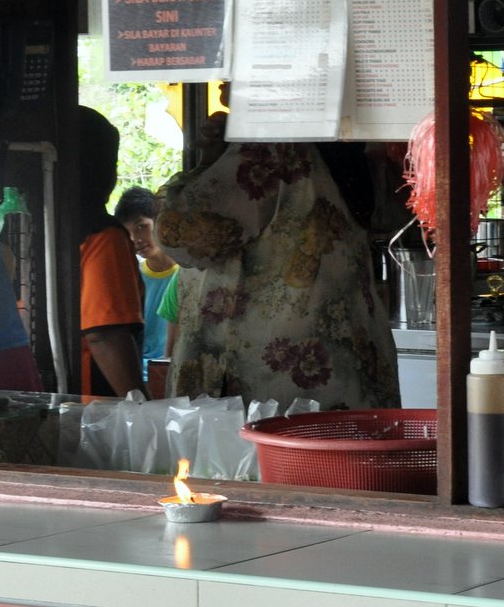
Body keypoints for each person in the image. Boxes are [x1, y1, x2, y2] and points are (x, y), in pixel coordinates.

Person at [156, 85, 399, 409]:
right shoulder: (343, 142)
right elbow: (394, 210)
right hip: (344, 374)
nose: (226, 87)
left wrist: (207, 163)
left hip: (273, 389)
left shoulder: (266, 147)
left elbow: (182, 238)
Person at [76, 107, 147, 399]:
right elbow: (105, 335)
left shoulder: (29, 226)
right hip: (94, 409)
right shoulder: (103, 236)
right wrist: (143, 410)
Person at [113, 186, 178, 379]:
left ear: (160, 223)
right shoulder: (131, 275)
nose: (135, 239)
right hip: (136, 375)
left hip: (168, 370)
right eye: (128, 233)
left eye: (141, 227)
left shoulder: (186, 277)